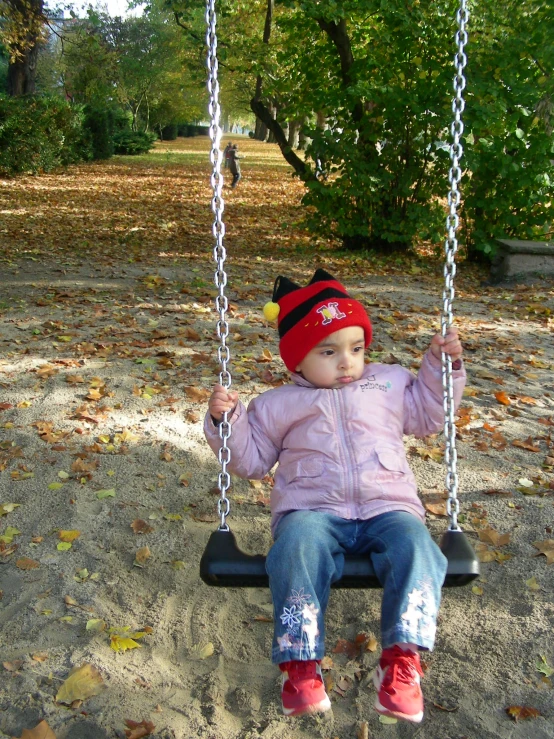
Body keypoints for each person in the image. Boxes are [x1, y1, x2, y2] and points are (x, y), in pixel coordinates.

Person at [204, 268, 465, 722]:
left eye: (356, 348)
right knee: (295, 548)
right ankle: (300, 665)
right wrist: (227, 423)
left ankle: (403, 662)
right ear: (297, 360)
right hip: (312, 511)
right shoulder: (276, 405)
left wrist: (444, 368)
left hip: (388, 507)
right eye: (328, 351)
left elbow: (429, 414)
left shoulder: (387, 384)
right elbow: (249, 461)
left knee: (419, 548)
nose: (347, 362)